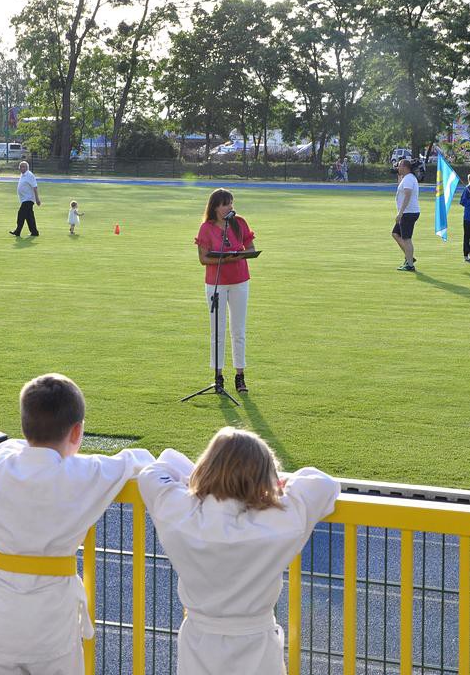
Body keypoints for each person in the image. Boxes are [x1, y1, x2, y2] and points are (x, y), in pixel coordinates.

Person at [0, 373, 154, 675]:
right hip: (50, 618)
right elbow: (136, 460)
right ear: (76, 432)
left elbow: (9, 447)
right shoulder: (79, 474)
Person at [137, 427, 340, 675]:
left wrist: (201, 478)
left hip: (198, 644)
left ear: (205, 469)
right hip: (257, 647)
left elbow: (158, 468)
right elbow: (321, 483)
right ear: (264, 481)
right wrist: (275, 486)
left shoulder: (180, 514)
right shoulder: (276, 524)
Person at [195, 188, 256, 393]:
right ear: (215, 207)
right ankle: (218, 376)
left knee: (238, 330)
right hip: (216, 283)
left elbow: (250, 248)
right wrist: (224, 258)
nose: (230, 207)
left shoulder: (240, 223)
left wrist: (239, 255)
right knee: (217, 331)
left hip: (240, 281)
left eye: (231, 203)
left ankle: (240, 376)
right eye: (225, 204)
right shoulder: (206, 228)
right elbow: (203, 259)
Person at [392, 159, 420, 271]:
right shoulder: (407, 178)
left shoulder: (408, 179)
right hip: (408, 212)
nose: (397, 168)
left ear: (404, 167)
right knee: (395, 233)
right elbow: (401, 190)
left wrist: (400, 213)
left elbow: (407, 195)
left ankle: (410, 265)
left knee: (407, 238)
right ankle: (410, 258)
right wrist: (399, 177)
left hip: (408, 213)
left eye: (399, 166)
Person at [12, 161, 41, 237]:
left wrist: (37, 199)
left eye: (23, 166)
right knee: (29, 216)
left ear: (27, 167)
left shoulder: (29, 175)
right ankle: (34, 232)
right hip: (24, 199)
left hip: (28, 199)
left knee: (21, 214)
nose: (22, 168)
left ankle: (17, 231)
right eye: (21, 166)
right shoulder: (23, 175)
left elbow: (35, 187)